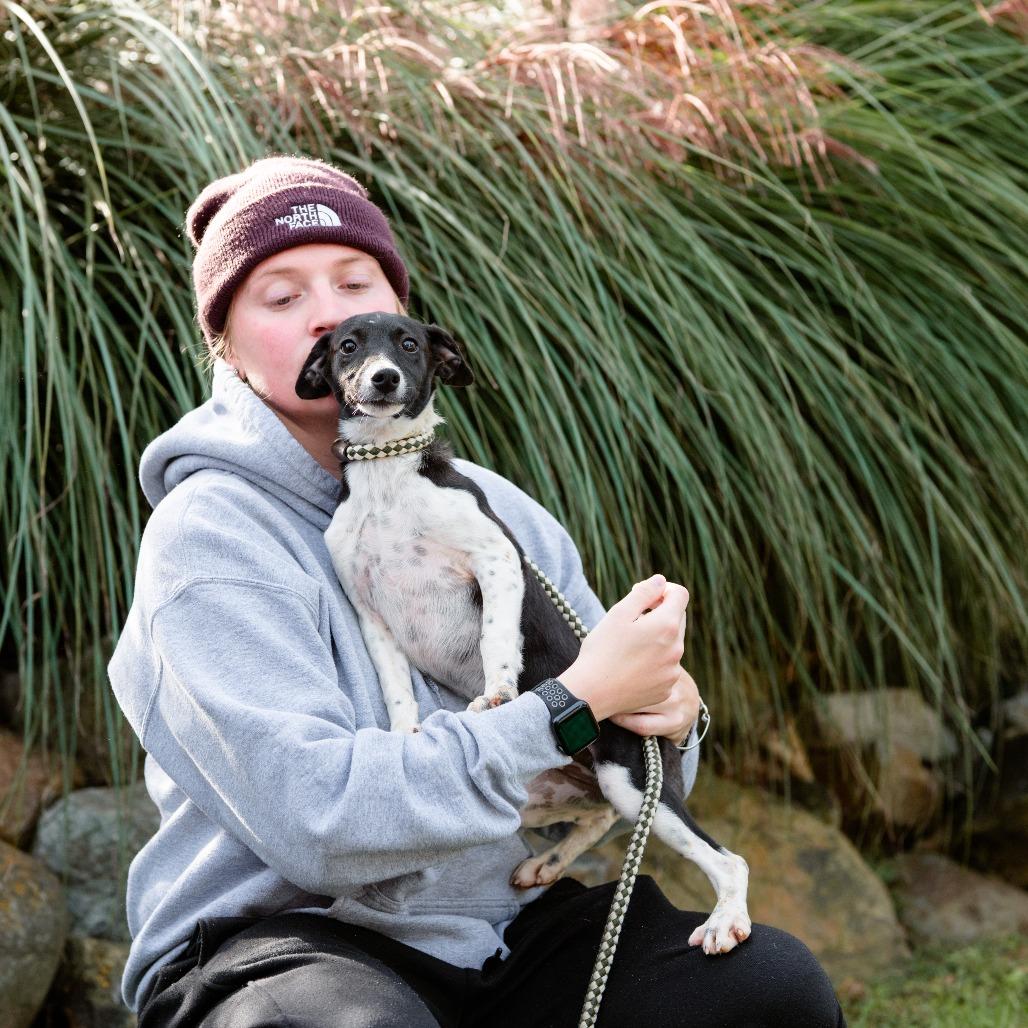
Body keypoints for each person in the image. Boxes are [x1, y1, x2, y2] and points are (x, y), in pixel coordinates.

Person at [109, 155, 845, 1026]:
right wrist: (565, 708)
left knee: (765, 993)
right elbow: (319, 824)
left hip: (494, 925)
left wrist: (672, 718)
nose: (331, 313)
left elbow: (610, 740)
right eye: (281, 297)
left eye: (355, 282)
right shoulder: (210, 536)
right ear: (224, 348)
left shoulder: (490, 508)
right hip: (281, 941)